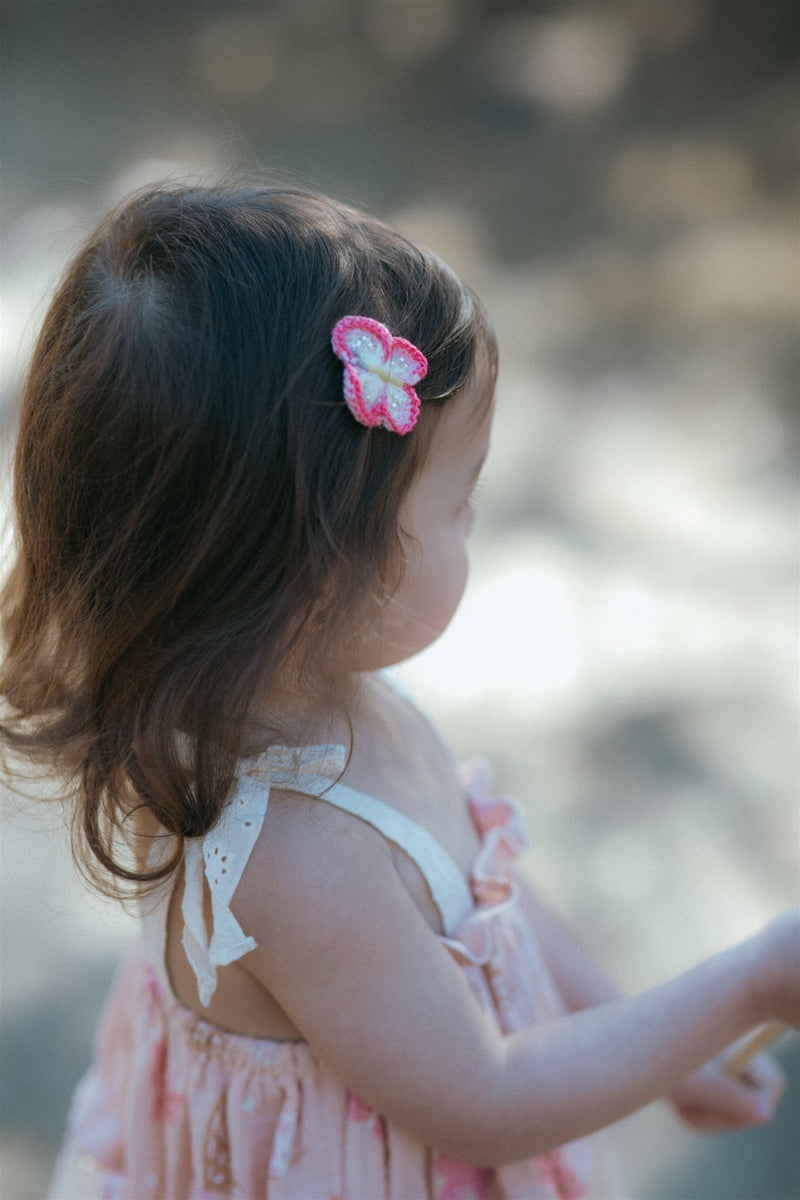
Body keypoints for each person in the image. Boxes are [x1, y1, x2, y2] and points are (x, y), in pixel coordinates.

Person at [0, 183, 796, 1200]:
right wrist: (751, 981)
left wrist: (660, 1043)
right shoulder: (291, 858)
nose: (474, 523)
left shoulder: (316, 703)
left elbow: (489, 908)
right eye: (457, 501)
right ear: (319, 569)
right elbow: (487, 1100)